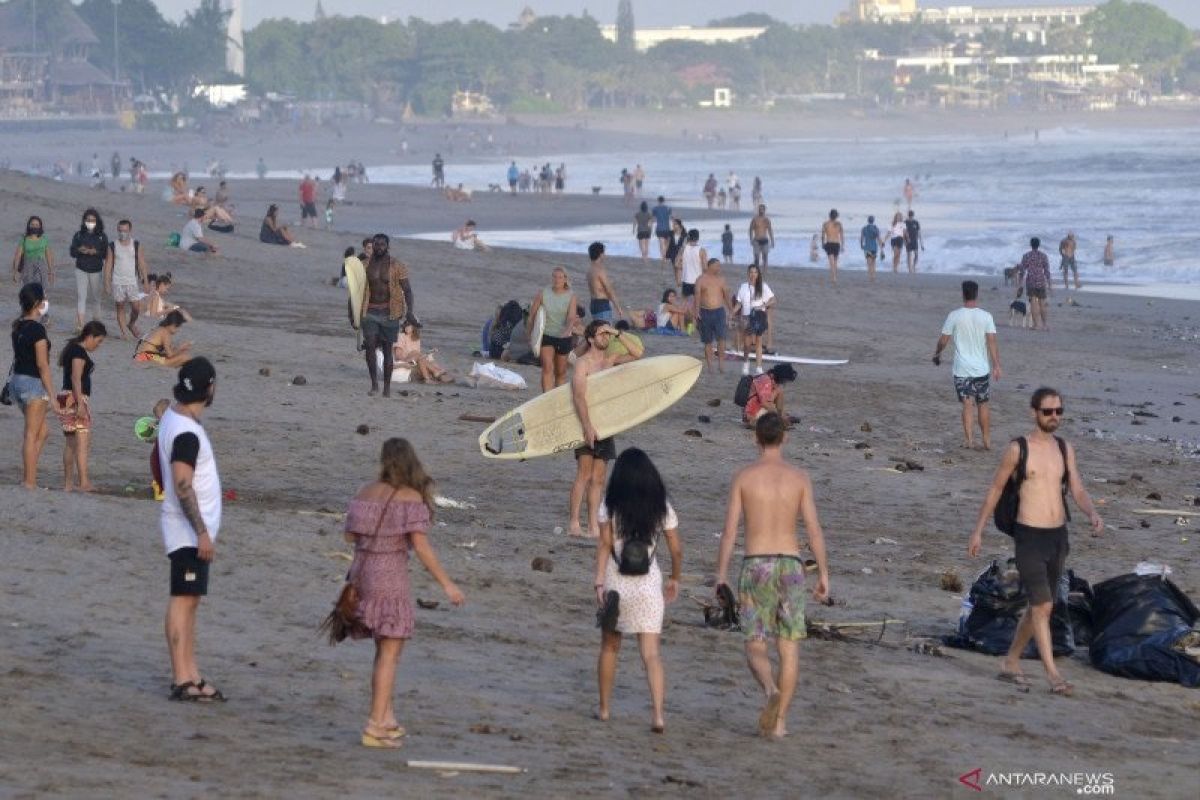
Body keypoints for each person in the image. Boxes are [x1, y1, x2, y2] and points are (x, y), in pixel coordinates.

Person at [967, 388, 1104, 697]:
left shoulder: (1064, 448)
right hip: (1029, 536)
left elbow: (1077, 488)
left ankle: (1011, 661)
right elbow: (995, 489)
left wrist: (1092, 512)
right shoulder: (1018, 449)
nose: (1054, 416)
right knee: (1043, 605)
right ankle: (1053, 675)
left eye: (1058, 411)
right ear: (1033, 413)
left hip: (1058, 536)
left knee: (1039, 605)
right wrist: (978, 531)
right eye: (1047, 412)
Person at [343, 438, 465, 747]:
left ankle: (387, 717)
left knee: (382, 649)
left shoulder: (364, 491)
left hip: (361, 573)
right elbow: (421, 547)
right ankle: (374, 726)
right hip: (390, 577)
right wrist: (447, 584)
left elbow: (349, 535)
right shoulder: (410, 498)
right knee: (390, 653)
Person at [716, 412, 830, 738]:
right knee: (789, 646)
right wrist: (823, 573)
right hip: (791, 565)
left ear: (756, 438)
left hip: (756, 564)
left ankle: (770, 690)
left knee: (754, 642)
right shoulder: (800, 478)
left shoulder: (744, 477)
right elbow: (814, 530)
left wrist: (720, 574)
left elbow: (728, 533)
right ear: (785, 438)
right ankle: (780, 723)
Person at [593, 448, 682, 733]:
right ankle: (657, 715)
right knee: (652, 654)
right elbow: (676, 550)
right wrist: (675, 578)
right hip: (648, 584)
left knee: (610, 647)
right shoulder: (661, 506)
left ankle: (605, 709)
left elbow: (605, 545)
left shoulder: (610, 504)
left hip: (616, 581)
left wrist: (598, 582)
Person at [158, 357, 226, 702]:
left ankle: (191, 673)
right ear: (209, 388)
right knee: (183, 603)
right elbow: (183, 483)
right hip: (186, 531)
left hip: (185, 529)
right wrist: (200, 532)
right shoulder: (186, 431)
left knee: (190, 603)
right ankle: (182, 678)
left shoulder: (174, 417)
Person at [570, 321, 631, 538]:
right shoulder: (582, 364)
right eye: (601, 334)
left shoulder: (610, 361)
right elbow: (578, 396)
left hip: (606, 426)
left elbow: (637, 354)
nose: (606, 337)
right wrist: (587, 426)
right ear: (590, 339)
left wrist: (616, 332)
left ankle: (594, 525)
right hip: (584, 424)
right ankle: (574, 523)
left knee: (598, 478)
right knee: (584, 475)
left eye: (607, 334)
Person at [934, 281, 1001, 450]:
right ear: (977, 295)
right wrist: (996, 365)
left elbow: (943, 340)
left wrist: (937, 353)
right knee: (983, 403)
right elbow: (992, 341)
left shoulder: (954, 315)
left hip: (962, 369)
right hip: (981, 368)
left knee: (967, 404)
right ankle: (987, 441)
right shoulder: (986, 316)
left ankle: (969, 440)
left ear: (963, 294)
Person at [9, 283, 63, 488]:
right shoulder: (37, 330)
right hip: (32, 384)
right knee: (32, 434)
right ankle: (29, 481)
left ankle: (28, 473)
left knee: (42, 432)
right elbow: (43, 365)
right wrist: (53, 396)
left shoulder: (18, 326)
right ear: (38, 303)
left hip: (18, 382)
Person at [361, 234, 414, 397]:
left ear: (387, 246)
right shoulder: (364, 265)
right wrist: (352, 315)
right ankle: (374, 384)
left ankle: (387, 388)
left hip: (390, 313)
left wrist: (410, 312)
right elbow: (355, 292)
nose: (379, 247)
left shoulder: (397, 266)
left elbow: (408, 290)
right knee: (369, 345)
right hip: (369, 311)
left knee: (387, 349)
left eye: (382, 245)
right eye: (376, 245)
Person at [58, 321, 106, 492]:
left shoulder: (72, 348)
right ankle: (84, 482)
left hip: (65, 397)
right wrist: (80, 404)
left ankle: (68, 485)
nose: (98, 345)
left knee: (70, 443)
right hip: (75, 398)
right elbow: (76, 378)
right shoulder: (78, 352)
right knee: (82, 442)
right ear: (90, 336)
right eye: (98, 341)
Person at [528, 266, 578, 393]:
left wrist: (567, 330)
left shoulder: (571, 296)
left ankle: (557, 399)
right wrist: (529, 335)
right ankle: (546, 398)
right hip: (546, 335)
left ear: (565, 279)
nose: (557, 280)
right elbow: (532, 316)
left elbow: (571, 317)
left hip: (563, 337)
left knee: (560, 372)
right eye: (554, 277)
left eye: (560, 277)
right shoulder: (543, 293)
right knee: (547, 367)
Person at [103, 219, 148, 339]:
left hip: (132, 281)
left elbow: (142, 263)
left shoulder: (136, 244)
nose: (123, 233)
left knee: (136, 307)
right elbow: (108, 265)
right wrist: (106, 283)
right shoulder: (112, 246)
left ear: (130, 231)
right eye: (120, 230)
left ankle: (131, 323)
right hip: (117, 282)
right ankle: (124, 332)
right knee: (120, 306)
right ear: (118, 231)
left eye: (125, 230)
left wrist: (146, 281)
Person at [69, 208, 109, 331]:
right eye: (87, 220)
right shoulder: (79, 235)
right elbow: (72, 252)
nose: (90, 222)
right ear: (84, 221)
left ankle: (97, 323)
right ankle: (80, 325)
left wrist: (95, 252)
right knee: (82, 297)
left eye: (92, 220)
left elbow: (106, 254)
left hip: (96, 270)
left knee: (96, 298)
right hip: (81, 268)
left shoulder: (102, 236)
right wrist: (80, 250)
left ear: (97, 221)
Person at [734, 264, 774, 375]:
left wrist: (762, 305)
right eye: (751, 272)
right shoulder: (743, 286)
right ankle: (746, 363)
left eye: (755, 272)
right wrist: (732, 312)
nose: (753, 274)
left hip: (759, 316)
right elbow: (739, 303)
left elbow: (773, 300)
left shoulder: (763, 286)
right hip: (746, 317)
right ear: (748, 273)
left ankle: (759, 367)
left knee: (758, 341)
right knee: (747, 343)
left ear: (758, 274)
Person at [695, 258, 731, 374]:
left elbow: (726, 296)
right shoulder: (700, 280)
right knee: (708, 341)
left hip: (719, 312)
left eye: (719, 266)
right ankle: (710, 366)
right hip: (705, 312)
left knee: (721, 339)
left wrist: (731, 310)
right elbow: (697, 296)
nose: (719, 268)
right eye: (717, 266)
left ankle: (721, 364)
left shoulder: (721, 280)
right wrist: (696, 311)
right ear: (709, 266)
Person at [1017, 237, 1052, 331]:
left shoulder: (1026, 256)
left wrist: (1020, 284)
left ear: (1030, 244)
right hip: (1041, 280)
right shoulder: (1043, 256)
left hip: (1031, 281)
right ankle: (1045, 325)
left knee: (1033, 302)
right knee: (1042, 303)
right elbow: (1047, 271)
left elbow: (1022, 271)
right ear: (1039, 244)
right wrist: (1049, 284)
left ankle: (1036, 325)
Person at [12, 216, 55, 291]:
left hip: (41, 268)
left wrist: (51, 272)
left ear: (40, 227)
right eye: (32, 224)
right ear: (29, 226)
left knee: (41, 291)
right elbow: (17, 256)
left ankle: (42, 302)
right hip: (27, 268)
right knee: (29, 292)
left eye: (37, 225)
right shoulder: (24, 239)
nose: (34, 226)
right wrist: (15, 272)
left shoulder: (44, 239)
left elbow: (49, 256)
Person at [674, 229, 706, 324]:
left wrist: (684, 268)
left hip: (686, 280)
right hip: (698, 281)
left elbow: (676, 264)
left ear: (688, 237)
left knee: (683, 305)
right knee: (697, 305)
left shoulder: (683, 249)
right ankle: (693, 326)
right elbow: (705, 267)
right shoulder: (701, 250)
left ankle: (682, 325)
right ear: (698, 238)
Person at [587, 242, 624, 323]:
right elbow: (609, 290)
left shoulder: (590, 270)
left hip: (593, 303)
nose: (604, 255)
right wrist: (618, 308)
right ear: (600, 254)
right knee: (606, 332)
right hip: (602, 304)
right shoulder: (599, 270)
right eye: (603, 252)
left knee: (598, 330)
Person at [821, 209, 844, 285]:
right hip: (837, 244)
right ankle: (834, 277)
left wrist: (822, 243)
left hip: (829, 243)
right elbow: (842, 236)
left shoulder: (825, 224)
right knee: (835, 262)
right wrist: (843, 245)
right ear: (836, 216)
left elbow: (823, 235)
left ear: (829, 215)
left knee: (831, 262)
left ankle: (833, 277)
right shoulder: (839, 224)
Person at [749, 205, 774, 270]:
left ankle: (765, 270)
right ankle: (756, 270)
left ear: (764, 210)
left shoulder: (767, 220)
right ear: (758, 210)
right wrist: (751, 239)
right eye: (760, 209)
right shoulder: (755, 219)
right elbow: (751, 229)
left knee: (765, 256)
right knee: (756, 257)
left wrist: (772, 241)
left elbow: (770, 230)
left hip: (765, 240)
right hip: (756, 240)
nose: (761, 211)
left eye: (762, 209)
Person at [860, 215, 883, 282]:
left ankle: (870, 277)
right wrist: (881, 246)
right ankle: (873, 276)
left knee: (869, 263)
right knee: (873, 262)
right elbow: (879, 238)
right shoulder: (876, 228)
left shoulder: (864, 228)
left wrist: (861, 245)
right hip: (874, 248)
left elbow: (862, 238)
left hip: (867, 247)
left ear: (868, 220)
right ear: (873, 221)